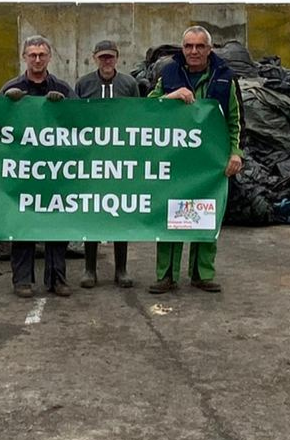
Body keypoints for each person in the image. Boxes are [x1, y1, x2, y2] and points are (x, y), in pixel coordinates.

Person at [149, 26, 242, 294]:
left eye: (200, 46)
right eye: (189, 46)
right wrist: (171, 96)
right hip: (174, 160)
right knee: (170, 215)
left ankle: (202, 274)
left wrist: (236, 153)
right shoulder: (168, 74)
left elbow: (236, 120)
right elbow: (148, 109)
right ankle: (166, 275)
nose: (193, 51)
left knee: (205, 214)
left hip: (209, 161)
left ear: (209, 49)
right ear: (183, 48)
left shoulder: (225, 77)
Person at [0, 35, 75, 298]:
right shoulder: (11, 87)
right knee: (22, 225)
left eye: (42, 54)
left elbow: (83, 125)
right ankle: (22, 280)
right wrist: (6, 104)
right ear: (24, 57)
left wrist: (66, 107)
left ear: (49, 57)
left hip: (55, 171)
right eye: (32, 54)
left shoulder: (62, 88)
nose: (37, 59)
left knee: (57, 225)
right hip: (22, 171)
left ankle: (57, 278)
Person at [73, 39, 141, 289]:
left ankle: (121, 269)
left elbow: (138, 118)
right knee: (91, 211)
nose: (106, 61)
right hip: (92, 158)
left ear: (117, 58)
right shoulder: (84, 84)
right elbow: (74, 118)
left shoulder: (129, 84)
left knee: (119, 211)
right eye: (102, 57)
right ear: (94, 58)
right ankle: (89, 269)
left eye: (110, 57)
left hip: (120, 158)